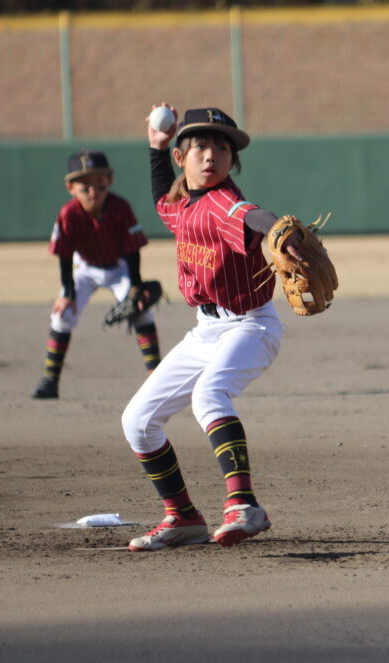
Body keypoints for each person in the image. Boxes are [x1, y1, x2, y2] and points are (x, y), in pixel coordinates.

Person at [122, 105, 302, 551]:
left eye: (222, 148)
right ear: (182, 157)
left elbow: (253, 215)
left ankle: (245, 506)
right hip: (205, 331)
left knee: (208, 395)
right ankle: (183, 517)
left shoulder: (222, 202)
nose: (211, 156)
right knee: (138, 421)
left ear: (231, 161)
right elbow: (162, 197)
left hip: (250, 327)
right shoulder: (183, 204)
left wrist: (279, 231)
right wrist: (156, 147)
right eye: (200, 146)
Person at [30, 150, 161, 399]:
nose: (93, 191)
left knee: (142, 311)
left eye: (99, 184)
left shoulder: (121, 208)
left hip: (119, 267)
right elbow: (64, 255)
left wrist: (135, 286)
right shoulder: (68, 214)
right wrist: (67, 293)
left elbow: (132, 250)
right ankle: (50, 380)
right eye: (85, 185)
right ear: (70, 188)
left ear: (109, 181)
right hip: (85, 269)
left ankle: (155, 376)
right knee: (62, 314)